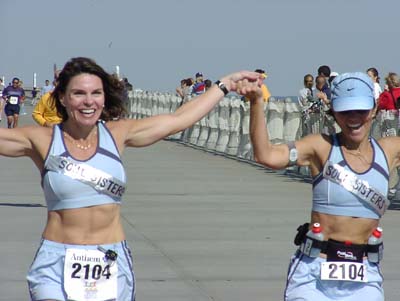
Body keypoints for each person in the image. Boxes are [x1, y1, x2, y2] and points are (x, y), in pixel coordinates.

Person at [0, 57, 260, 300]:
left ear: (104, 98)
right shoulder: (41, 140)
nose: (88, 101)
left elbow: (179, 119)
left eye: (96, 93)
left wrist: (225, 84)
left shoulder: (118, 134)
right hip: (56, 261)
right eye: (78, 93)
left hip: (109, 260)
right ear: (63, 99)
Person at [248, 72, 392, 300]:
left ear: (374, 109)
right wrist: (256, 102)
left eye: (361, 110)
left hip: (364, 275)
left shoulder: (389, 151)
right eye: (345, 111)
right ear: (333, 111)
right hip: (314, 273)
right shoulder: (320, 146)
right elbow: (266, 155)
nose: (353, 118)